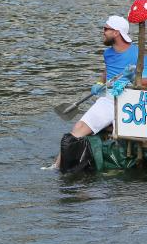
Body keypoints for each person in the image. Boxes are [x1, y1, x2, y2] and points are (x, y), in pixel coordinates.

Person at [55, 15, 138, 169]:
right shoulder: (108, 54)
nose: (103, 32)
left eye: (106, 29)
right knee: (77, 129)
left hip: (129, 99)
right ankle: (57, 165)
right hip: (109, 98)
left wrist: (130, 79)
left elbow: (146, 80)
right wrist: (100, 83)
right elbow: (106, 72)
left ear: (116, 33)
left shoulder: (138, 53)